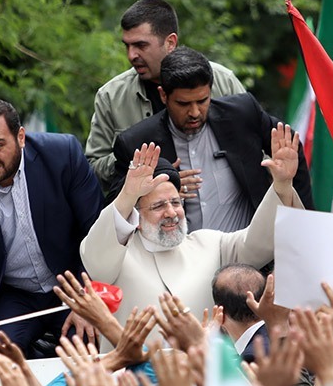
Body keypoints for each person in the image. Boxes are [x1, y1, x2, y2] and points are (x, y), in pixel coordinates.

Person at [80, 128, 301, 332]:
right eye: (158, 206)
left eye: (175, 202)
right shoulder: (117, 256)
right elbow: (96, 260)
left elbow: (258, 243)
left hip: (202, 361)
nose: (171, 212)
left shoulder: (210, 244)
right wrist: (128, 196)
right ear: (135, 215)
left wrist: (282, 184)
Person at [0, 99, 104, 359]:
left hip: (73, 283)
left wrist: (87, 297)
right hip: (14, 295)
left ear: (21, 137)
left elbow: (97, 232)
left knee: (89, 344)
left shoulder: (63, 154)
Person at [109, 47, 312, 229]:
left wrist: (304, 225)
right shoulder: (137, 143)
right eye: (183, 104)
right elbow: (114, 212)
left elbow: (290, 152)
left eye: (202, 100)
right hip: (176, 256)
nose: (195, 112)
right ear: (163, 96)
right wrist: (157, 191)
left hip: (247, 253)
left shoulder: (242, 114)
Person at [85, 0, 245, 183]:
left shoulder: (223, 81)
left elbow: (255, 146)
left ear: (170, 42)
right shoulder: (111, 96)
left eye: (141, 45)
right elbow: (93, 169)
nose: (131, 55)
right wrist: (144, 166)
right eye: (127, 46)